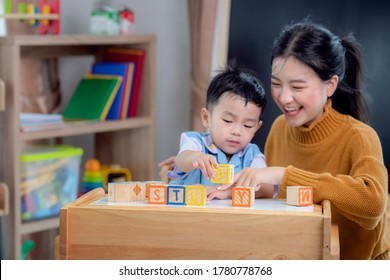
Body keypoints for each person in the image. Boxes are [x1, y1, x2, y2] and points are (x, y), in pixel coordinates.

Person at [160, 20, 389, 260]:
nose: (285, 97)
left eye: (298, 86)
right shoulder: (280, 128)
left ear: (330, 85)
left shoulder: (360, 136)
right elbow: (269, 200)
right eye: (276, 84)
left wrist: (283, 175)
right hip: (300, 260)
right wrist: (188, 162)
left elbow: (372, 205)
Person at [165, 62, 274, 198]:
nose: (237, 131)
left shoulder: (251, 156)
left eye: (247, 126)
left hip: (229, 219)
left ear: (256, 128)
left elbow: (267, 189)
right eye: (228, 121)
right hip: (190, 216)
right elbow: (182, 160)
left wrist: (227, 192)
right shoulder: (197, 143)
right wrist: (198, 158)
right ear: (206, 118)